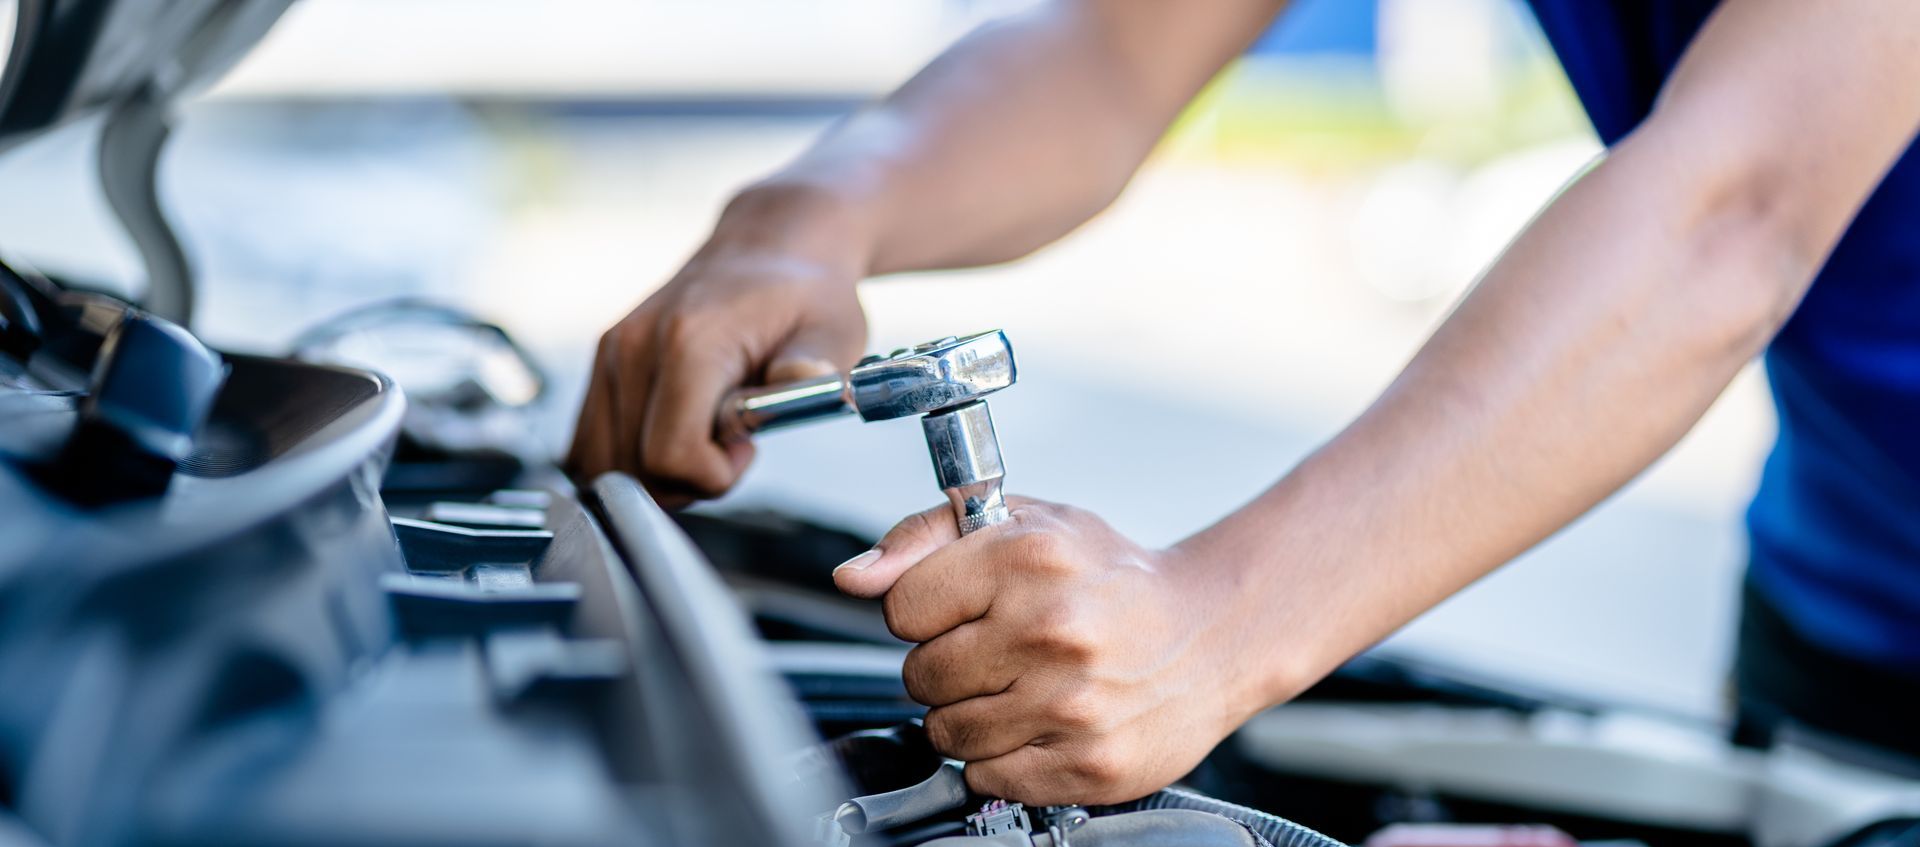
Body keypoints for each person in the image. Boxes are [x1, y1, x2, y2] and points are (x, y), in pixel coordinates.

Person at [569, 2, 1920, 804]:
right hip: (1843, 602)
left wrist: (1215, 620)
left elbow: (1731, 217)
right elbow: (1110, 50)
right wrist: (810, 214)